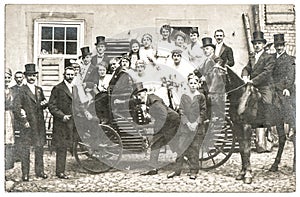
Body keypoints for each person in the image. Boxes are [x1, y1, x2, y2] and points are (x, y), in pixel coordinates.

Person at [135, 83, 180, 176]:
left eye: (140, 94)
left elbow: (164, 116)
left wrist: (157, 130)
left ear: (144, 92)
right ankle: (153, 168)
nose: (138, 97)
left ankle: (187, 164)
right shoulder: (148, 100)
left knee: (174, 145)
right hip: (165, 122)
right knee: (156, 145)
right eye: (137, 95)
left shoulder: (154, 101)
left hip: (171, 122)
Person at [167, 73, 206, 180]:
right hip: (185, 127)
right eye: (191, 83)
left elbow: (203, 112)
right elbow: (182, 111)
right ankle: (177, 170)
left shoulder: (201, 97)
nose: (193, 85)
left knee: (194, 149)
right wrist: (187, 123)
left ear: (198, 84)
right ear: (188, 84)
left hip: (196, 128)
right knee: (180, 148)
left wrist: (196, 123)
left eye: (195, 83)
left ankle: (193, 171)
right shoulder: (184, 96)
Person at [14, 63, 48, 181]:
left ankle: (40, 171)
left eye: (33, 75)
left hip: (38, 124)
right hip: (27, 124)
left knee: (39, 148)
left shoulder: (39, 90)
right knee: (25, 149)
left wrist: (45, 104)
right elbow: (17, 108)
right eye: (29, 75)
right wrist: (24, 121)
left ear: (36, 76)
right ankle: (26, 174)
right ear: (25, 76)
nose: (32, 77)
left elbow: (43, 103)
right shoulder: (21, 90)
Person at [271, 33, 296, 171]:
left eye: (281, 45)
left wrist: (286, 88)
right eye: (277, 46)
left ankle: (292, 126)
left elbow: (291, 76)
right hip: (272, 89)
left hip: (285, 89)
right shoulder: (272, 58)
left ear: (284, 46)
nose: (279, 48)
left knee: (286, 103)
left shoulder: (289, 59)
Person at [48, 66, 77, 179]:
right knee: (61, 147)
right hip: (61, 123)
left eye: (72, 74)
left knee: (69, 144)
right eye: (68, 74)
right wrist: (62, 116)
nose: (70, 76)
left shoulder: (74, 88)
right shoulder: (58, 88)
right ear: (64, 75)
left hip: (72, 122)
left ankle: (62, 170)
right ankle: (60, 171)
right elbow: (52, 106)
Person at [10, 71, 24, 162]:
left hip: (25, 116)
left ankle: (23, 156)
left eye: (20, 77)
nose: (19, 79)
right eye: (17, 78)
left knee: (24, 136)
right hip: (15, 116)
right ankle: (16, 155)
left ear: (23, 78)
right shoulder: (12, 89)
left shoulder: (26, 89)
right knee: (16, 135)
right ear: (14, 79)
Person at [5, 68, 15, 170]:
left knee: (9, 140)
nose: (6, 79)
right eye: (4, 77)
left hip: (9, 116)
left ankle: (8, 165)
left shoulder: (13, 91)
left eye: (8, 77)